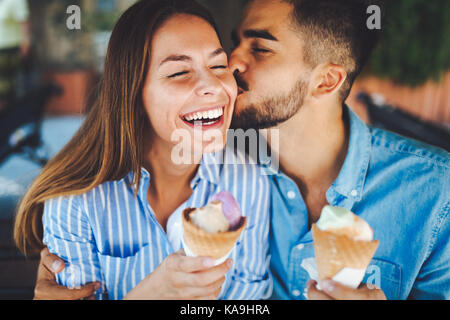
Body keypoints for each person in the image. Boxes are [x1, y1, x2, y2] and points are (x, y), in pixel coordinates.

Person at [27, 0, 450, 300]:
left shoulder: (436, 193)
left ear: (326, 81)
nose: (229, 66)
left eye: (260, 48)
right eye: (235, 44)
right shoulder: (243, 170)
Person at [13, 0, 271, 300]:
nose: (213, 85)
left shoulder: (247, 181)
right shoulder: (76, 202)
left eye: (217, 65)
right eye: (179, 72)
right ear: (134, 93)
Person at [0, 0, 30, 110]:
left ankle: (10, 118)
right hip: (2, 49)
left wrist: (25, 44)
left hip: (10, 51)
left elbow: (24, 22)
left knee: (6, 87)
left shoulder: (17, 1)